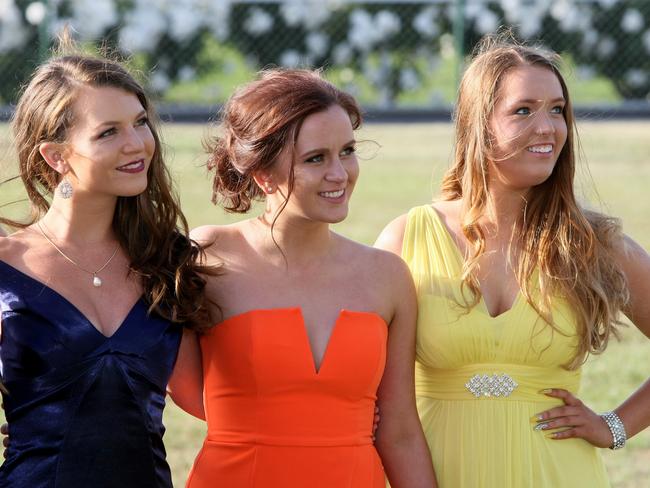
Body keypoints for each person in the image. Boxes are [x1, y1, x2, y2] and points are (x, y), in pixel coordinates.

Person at [375, 34, 650, 487]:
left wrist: (615, 426)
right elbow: (378, 400)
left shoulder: (593, 242)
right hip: (440, 470)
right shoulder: (407, 238)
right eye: (524, 110)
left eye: (557, 110)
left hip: (559, 473)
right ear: (478, 125)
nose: (548, 127)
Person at [182, 69, 436, 487]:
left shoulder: (387, 276)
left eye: (347, 151)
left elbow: (401, 432)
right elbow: (175, 384)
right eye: (316, 158)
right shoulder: (208, 258)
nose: (340, 174)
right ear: (263, 174)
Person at [0, 43, 210, 487]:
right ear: (55, 157)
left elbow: (209, 400)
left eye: (139, 123)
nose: (138, 145)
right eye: (108, 132)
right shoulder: (6, 271)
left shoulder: (167, 262)